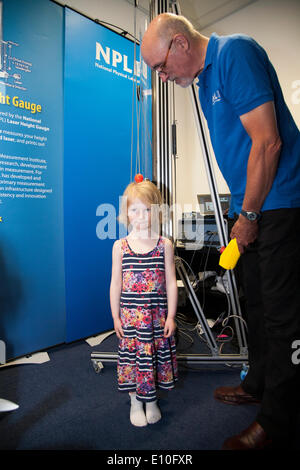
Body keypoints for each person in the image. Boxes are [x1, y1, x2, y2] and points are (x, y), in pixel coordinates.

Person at [141, 13, 300, 449]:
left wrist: (248, 215)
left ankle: (279, 420)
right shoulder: (206, 80)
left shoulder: (234, 54)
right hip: (251, 206)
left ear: (179, 44)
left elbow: (268, 142)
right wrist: (240, 212)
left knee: (285, 316)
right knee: (255, 302)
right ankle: (259, 386)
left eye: (160, 66)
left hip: (282, 202)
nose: (162, 76)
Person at [110, 179, 178, 427]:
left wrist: (171, 316)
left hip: (156, 318)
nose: (141, 215)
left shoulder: (164, 245)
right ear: (125, 212)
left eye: (148, 209)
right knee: (133, 360)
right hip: (131, 319)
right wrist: (115, 317)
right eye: (134, 209)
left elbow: (171, 282)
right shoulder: (120, 246)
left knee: (153, 358)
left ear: (158, 211)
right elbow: (115, 284)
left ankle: (151, 400)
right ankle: (135, 401)